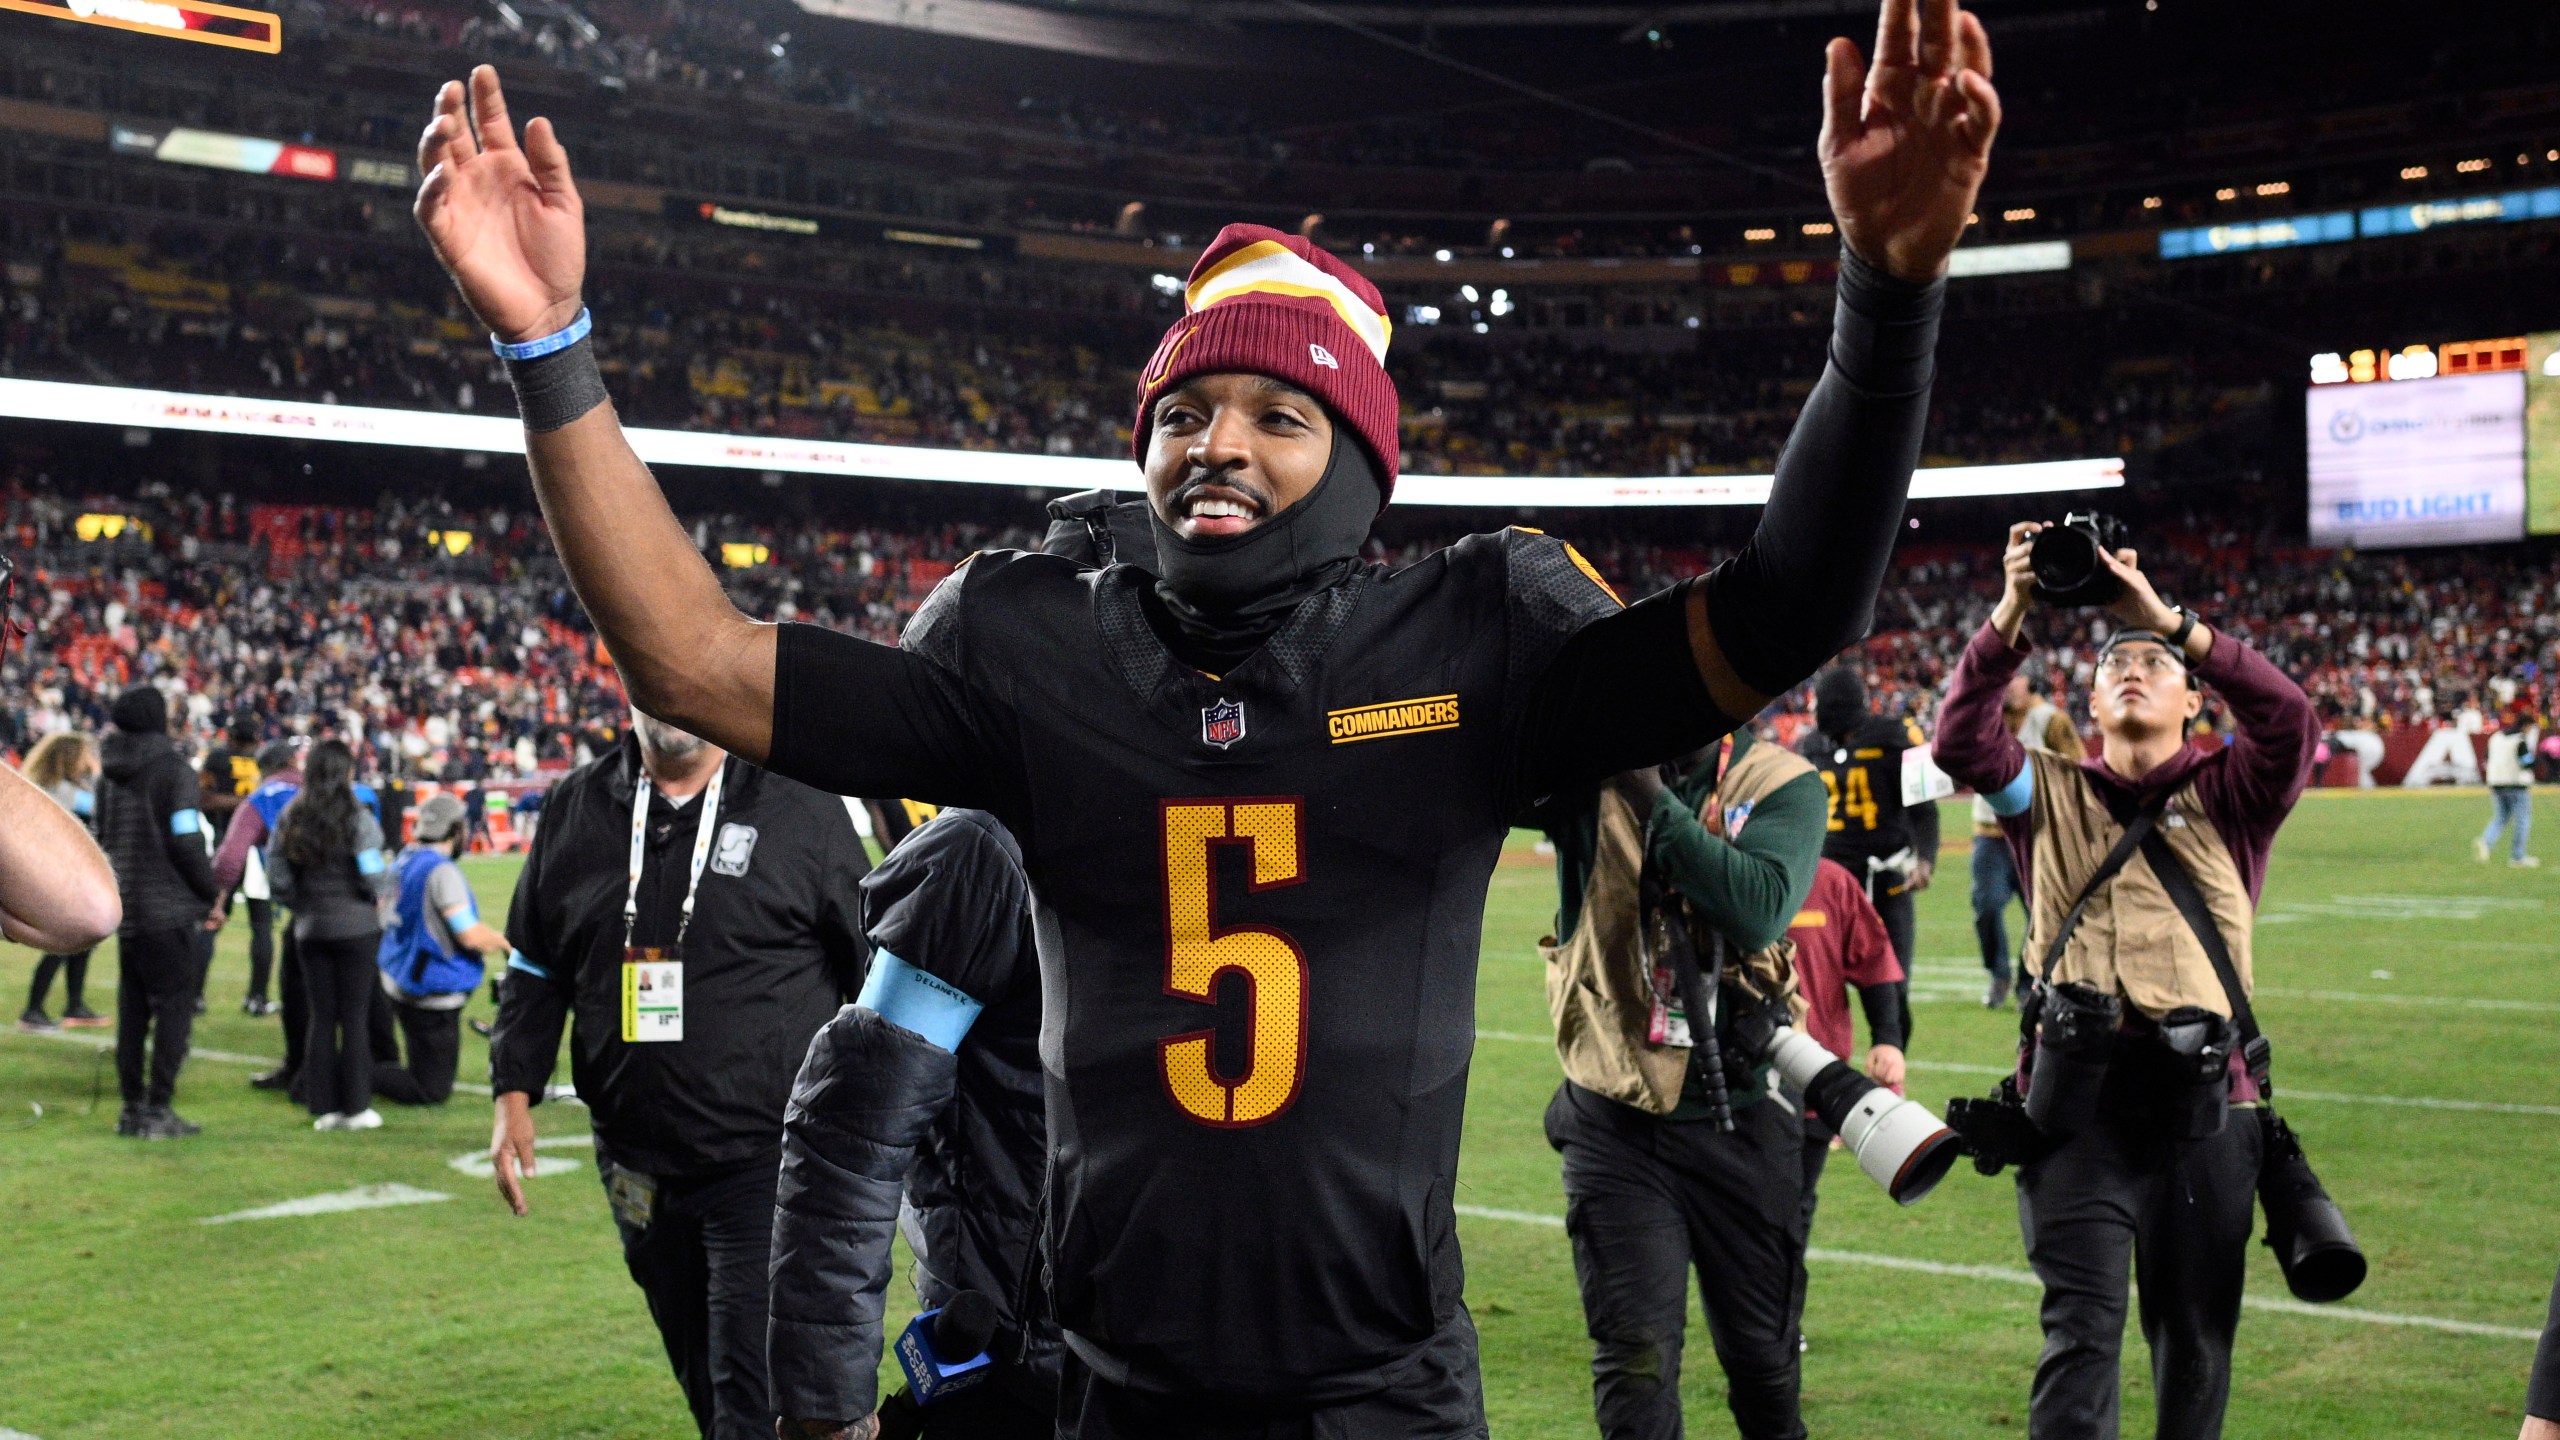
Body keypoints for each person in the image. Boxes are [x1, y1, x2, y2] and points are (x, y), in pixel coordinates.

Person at [415, 11, 1999, 1428]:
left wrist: (1890, 295)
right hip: (1118, 1391)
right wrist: (546, 348)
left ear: (1363, 465)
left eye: (1275, 415)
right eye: (1180, 412)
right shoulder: (1034, 647)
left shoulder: (1477, 632)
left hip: (1389, 1392)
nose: (1213, 446)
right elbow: (693, 660)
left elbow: (1793, 606)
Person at [1933, 521, 2320, 1440]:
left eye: (2154, 664)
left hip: (2207, 1116)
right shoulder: (2044, 791)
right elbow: (1958, 742)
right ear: (2092, 707)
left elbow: (2290, 721)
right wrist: (2013, 611)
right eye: (2114, 665)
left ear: (2195, 700)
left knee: (2193, 1352)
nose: (2133, 670)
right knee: (2081, 1336)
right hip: (2074, 1117)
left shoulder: (2232, 795)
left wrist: (2168, 620)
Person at [488, 711, 869, 1440]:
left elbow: (870, 964)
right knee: (699, 1367)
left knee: (752, 1391)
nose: (669, 701)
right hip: (633, 1159)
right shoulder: (577, 804)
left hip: (764, 1160)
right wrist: (512, 1095)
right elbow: (535, 966)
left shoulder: (799, 804)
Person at [1537, 730, 1828, 1440]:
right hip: (1615, 1113)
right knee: (1633, 1355)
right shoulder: (1584, 775)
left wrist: (1648, 794)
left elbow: (1757, 908)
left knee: (1762, 1361)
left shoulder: (1782, 781)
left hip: (1744, 1115)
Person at [771, 807, 1054, 1438]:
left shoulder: (1278, 818)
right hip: (1024, 1369)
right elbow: (853, 1134)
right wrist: (827, 1395)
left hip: (1229, 1358)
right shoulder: (987, 853)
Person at [96, 685, 220, 1139]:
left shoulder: (108, 773)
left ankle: (130, 1108)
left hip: (125, 907)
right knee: (174, 1010)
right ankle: (158, 1108)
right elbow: (185, 840)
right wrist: (211, 892)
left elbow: (100, 838)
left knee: (131, 1011)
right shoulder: (173, 770)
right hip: (167, 909)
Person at [266, 738, 396, 1131]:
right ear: (347, 773)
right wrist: (383, 887)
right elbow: (374, 875)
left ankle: (322, 1106)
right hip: (356, 929)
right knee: (354, 1017)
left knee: (321, 1017)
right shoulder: (357, 816)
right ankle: (356, 1106)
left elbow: (276, 874)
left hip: (309, 929)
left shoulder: (292, 815)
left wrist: (302, 903)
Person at [1799, 665, 1937, 1034]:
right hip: (1829, 887)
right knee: (1817, 987)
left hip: (1886, 878)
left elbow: (1926, 808)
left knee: (1893, 988)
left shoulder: (1897, 736)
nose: (1813, 713)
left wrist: (1925, 859)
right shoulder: (1811, 747)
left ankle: (1891, 1066)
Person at [1784, 855, 1908, 1239]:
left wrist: (1887, 1038)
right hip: (1731, 1080)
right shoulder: (1714, 871)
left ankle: (1785, 1301)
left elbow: (1872, 959)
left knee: (1795, 1208)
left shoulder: (1829, 879)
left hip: (1811, 1077)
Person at [372, 793, 508, 1105]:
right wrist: (504, 942)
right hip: (430, 988)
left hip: (400, 975)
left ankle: (354, 1071)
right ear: (456, 829)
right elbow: (469, 934)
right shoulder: (441, 871)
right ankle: (348, 1074)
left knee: (423, 1067)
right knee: (430, 1089)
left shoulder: (405, 859)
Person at [1970, 662, 2084, 1006]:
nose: (2004, 684)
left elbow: (2076, 767)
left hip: (2036, 831)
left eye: (2012, 676)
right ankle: (1998, 973)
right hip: (1989, 830)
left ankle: (2026, 982)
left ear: (2030, 681)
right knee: (1985, 906)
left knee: (2040, 913)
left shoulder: (2051, 720)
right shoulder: (1985, 715)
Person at [18, 731, 113, 1031]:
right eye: (85, 754)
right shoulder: (62, 790)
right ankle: (32, 1011)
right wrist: (99, 774)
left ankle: (74, 1005)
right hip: (60, 875)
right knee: (64, 943)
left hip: (63, 872)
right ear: (71, 757)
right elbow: (102, 807)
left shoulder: (47, 785)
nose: (89, 760)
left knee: (83, 940)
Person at [202, 714, 279, 1014]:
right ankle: (257, 997)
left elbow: (204, 798)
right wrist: (252, 805)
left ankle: (194, 996)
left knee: (210, 920)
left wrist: (243, 806)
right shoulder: (265, 762)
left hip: (226, 844)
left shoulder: (218, 759)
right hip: (260, 848)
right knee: (262, 926)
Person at [2478, 701, 2539, 867]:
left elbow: (2486, 759)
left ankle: (2486, 841)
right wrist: (2536, 761)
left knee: (2501, 817)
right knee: (2522, 819)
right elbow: (2526, 763)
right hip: (2515, 784)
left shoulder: (2496, 737)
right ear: (2525, 726)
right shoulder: (2519, 741)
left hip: (2496, 783)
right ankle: (2518, 856)